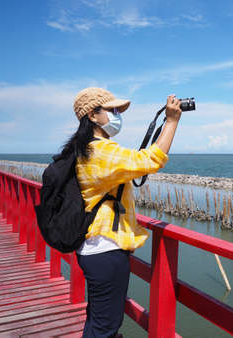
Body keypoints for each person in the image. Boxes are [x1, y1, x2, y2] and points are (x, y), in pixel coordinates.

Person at [65, 87, 181, 337]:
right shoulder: (100, 151)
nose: (118, 115)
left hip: (93, 248)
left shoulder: (85, 147)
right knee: (106, 327)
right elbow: (151, 160)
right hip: (105, 249)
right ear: (93, 115)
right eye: (113, 110)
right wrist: (171, 121)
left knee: (97, 320)